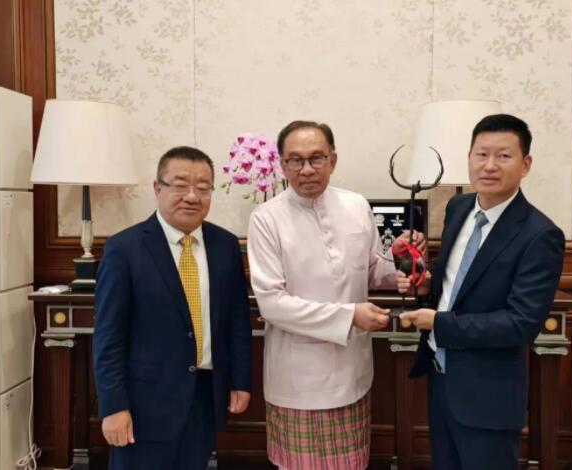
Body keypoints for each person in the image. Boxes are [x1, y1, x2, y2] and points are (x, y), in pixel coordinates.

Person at [247, 120, 416, 470]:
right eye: (296, 160)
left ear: (333, 160)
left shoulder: (356, 205)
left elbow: (373, 270)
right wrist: (350, 316)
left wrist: (400, 260)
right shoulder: (266, 218)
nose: (307, 169)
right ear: (282, 165)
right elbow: (272, 304)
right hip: (298, 380)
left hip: (353, 372)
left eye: (317, 158)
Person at [400, 114, 565, 470]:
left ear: (526, 164)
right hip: (441, 380)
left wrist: (439, 323)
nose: (490, 165)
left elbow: (521, 324)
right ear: (469, 157)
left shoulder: (540, 235)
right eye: (482, 154)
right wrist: (426, 285)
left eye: (503, 156)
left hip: (489, 396)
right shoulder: (458, 208)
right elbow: (455, 284)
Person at [93, 146, 252, 469]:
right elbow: (109, 337)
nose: (192, 196)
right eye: (180, 185)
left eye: (203, 188)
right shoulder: (124, 249)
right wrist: (113, 406)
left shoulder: (225, 245)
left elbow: (237, 321)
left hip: (204, 399)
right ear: (157, 188)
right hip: (143, 405)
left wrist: (240, 381)